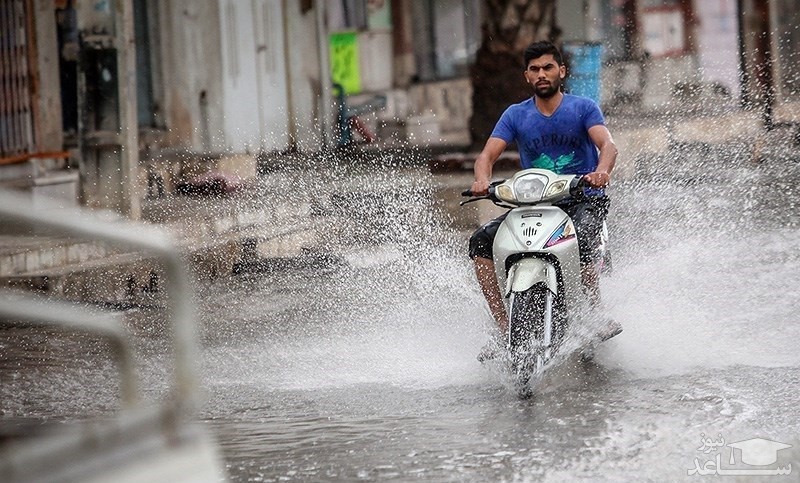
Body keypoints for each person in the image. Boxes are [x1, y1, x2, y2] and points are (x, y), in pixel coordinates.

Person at [468, 41, 622, 360]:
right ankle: (502, 326)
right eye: (535, 69)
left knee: (584, 240)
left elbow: (607, 145)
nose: (542, 74)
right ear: (526, 76)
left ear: (561, 71)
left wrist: (601, 172)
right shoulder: (515, 114)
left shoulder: (583, 108)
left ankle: (595, 314)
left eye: (548, 67)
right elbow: (487, 155)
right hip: (535, 204)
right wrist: (482, 180)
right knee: (480, 243)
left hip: (583, 199)